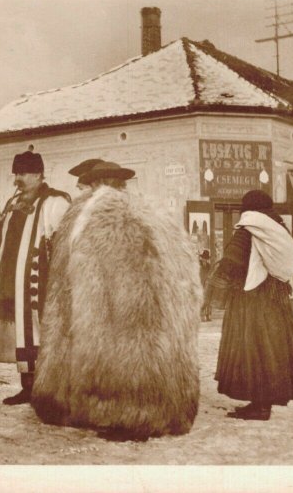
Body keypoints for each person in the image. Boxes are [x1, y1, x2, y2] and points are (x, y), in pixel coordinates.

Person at [31, 162, 201, 441]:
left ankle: (125, 411)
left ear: (96, 185)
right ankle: (162, 407)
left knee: (122, 352)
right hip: (154, 302)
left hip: (116, 300)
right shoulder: (152, 213)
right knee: (150, 351)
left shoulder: (94, 214)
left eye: (85, 186)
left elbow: (79, 272)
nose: (81, 190)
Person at [0, 145, 71, 405]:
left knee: (44, 336)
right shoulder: (14, 203)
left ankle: (51, 391)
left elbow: (63, 242)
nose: (17, 180)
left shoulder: (55, 202)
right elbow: (3, 242)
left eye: (23, 174)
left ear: (38, 175)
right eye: (16, 174)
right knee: (22, 338)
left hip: (41, 284)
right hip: (14, 283)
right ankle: (28, 388)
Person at [204, 189, 293, 421]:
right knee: (271, 351)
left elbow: (231, 262)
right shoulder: (278, 228)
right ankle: (262, 403)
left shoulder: (248, 228)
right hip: (276, 302)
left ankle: (259, 407)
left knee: (252, 349)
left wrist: (214, 290)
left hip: (253, 301)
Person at [199, 250, 212, 322]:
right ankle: (202, 315)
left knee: (208, 300)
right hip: (200, 283)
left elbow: (210, 274)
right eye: (204, 258)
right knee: (201, 300)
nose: (204, 260)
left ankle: (208, 315)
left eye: (206, 258)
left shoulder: (209, 266)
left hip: (207, 284)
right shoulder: (198, 265)